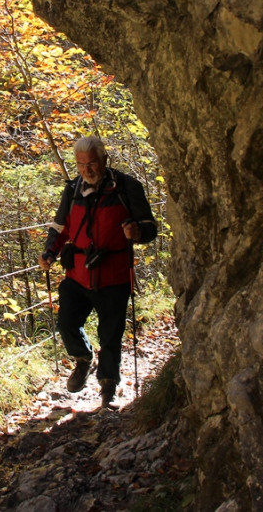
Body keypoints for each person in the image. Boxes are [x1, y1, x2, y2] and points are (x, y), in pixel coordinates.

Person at [39, 136, 158, 407]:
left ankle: (108, 387)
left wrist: (137, 232)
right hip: (78, 275)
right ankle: (83, 358)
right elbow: (60, 228)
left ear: (104, 159)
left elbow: (150, 226)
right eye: (81, 165)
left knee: (111, 334)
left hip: (114, 276)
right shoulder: (72, 191)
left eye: (91, 163)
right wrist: (49, 252)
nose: (86, 170)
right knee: (67, 322)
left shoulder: (127, 187)